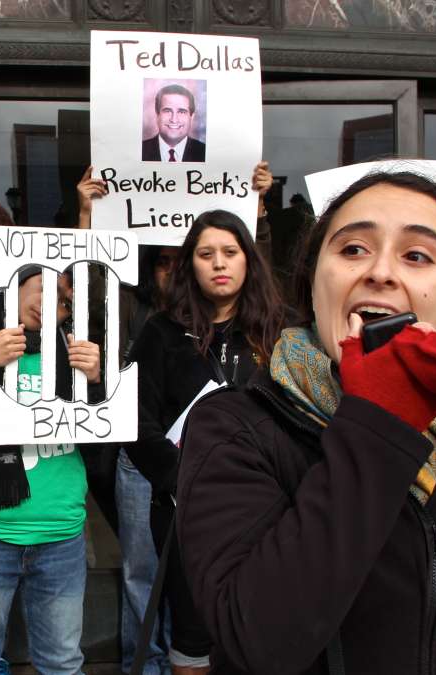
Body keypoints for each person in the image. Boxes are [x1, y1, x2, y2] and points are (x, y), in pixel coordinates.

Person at [177, 171, 436, 674]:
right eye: (353, 249)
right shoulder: (233, 428)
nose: (380, 272)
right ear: (313, 284)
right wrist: (379, 421)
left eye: (417, 255)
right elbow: (258, 642)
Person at [125, 210, 284, 675]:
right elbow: (136, 423)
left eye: (230, 253)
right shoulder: (161, 332)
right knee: (192, 638)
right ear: (189, 265)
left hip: (265, 513)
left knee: (260, 630)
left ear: (248, 261)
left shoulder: (280, 331)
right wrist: (181, 481)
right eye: (206, 253)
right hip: (186, 514)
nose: (219, 263)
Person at [0, 266, 103, 675]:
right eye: (44, 289)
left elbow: (108, 421)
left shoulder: (75, 352)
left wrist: (99, 379)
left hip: (61, 533)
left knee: (64, 663)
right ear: (14, 281)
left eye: (65, 304)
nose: (52, 306)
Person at [142, 84, 205, 163]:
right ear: (157, 115)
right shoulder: (140, 150)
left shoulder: (204, 152)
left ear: (191, 117)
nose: (174, 120)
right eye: (167, 111)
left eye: (181, 112)